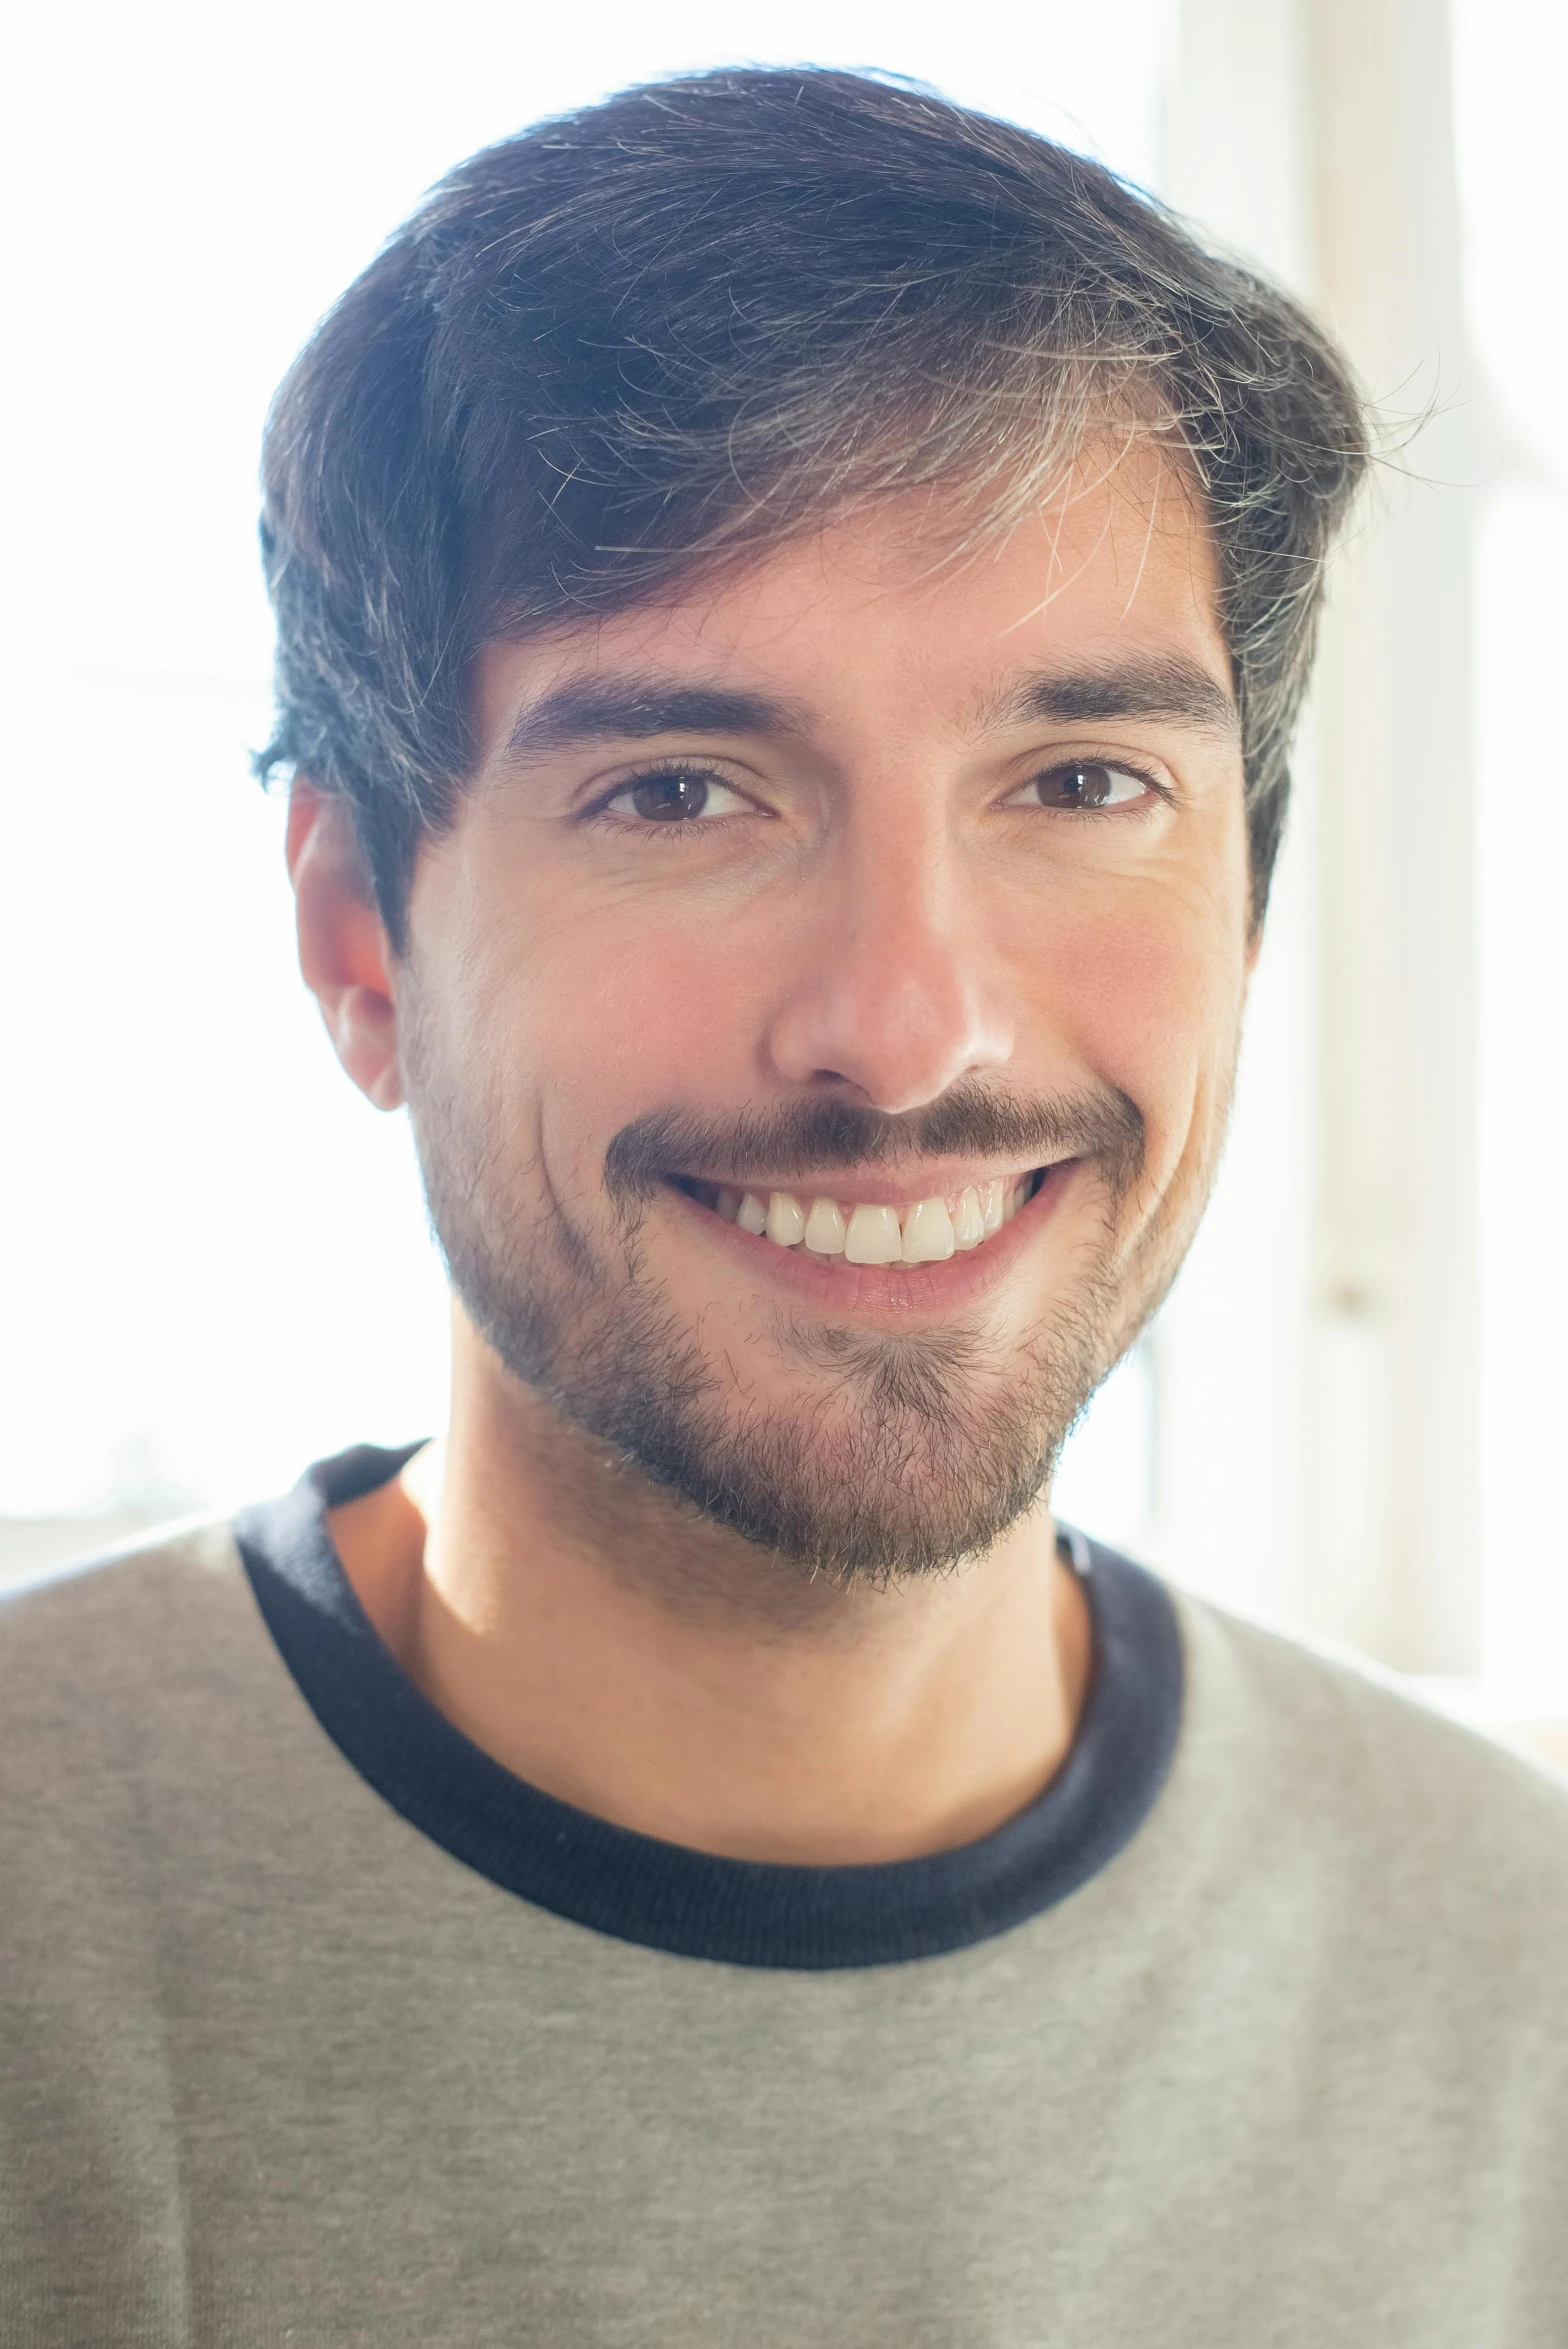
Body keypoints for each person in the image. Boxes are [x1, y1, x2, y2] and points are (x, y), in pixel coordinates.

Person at [3, 65, 1564, 2348]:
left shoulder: (1514, 1978)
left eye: (1082, 778)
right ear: (361, 943)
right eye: (679, 790)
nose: (908, 1027)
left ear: (1248, 902)